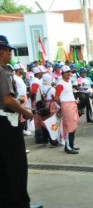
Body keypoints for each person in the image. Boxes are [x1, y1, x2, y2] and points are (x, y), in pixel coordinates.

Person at [0, 35, 42, 208]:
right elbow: (8, 100)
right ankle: (21, 204)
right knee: (16, 165)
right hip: (7, 123)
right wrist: (27, 113)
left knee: (2, 167)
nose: (11, 54)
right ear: (2, 51)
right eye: (9, 50)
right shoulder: (2, 72)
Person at [55, 65, 80, 154]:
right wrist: (62, 105)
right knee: (69, 127)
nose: (69, 74)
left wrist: (74, 101)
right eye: (66, 72)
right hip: (66, 106)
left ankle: (71, 145)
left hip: (72, 105)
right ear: (62, 73)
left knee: (73, 126)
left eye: (69, 72)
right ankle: (68, 147)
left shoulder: (69, 82)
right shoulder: (60, 84)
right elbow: (56, 97)